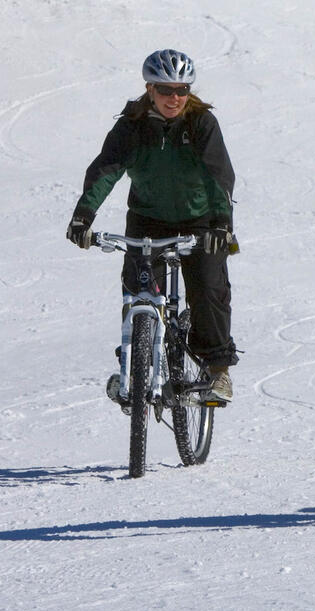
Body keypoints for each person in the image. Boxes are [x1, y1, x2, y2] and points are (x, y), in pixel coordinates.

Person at [66, 48, 238, 403]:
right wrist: (84, 216)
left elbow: (217, 175)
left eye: (181, 90)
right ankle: (135, 364)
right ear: (149, 89)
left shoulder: (200, 123)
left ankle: (217, 370)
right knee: (137, 290)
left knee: (208, 286)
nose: (174, 98)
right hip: (148, 219)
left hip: (201, 220)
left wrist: (222, 223)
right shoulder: (132, 125)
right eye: (165, 90)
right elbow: (107, 169)